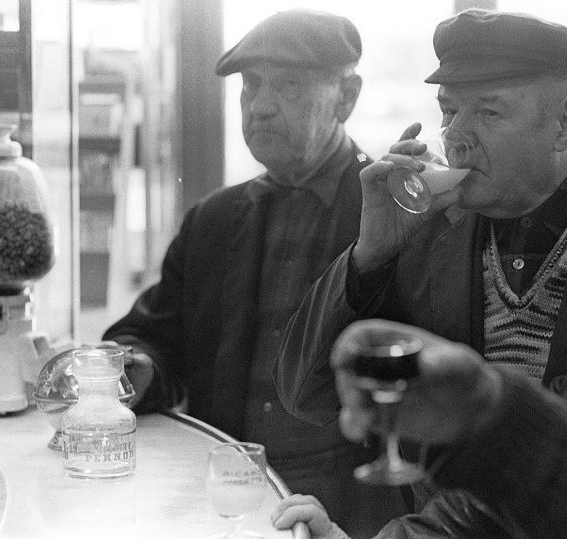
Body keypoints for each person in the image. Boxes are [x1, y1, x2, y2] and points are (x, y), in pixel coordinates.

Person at [272, 16, 567, 539]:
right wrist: (368, 256)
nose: (455, 137)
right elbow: (307, 397)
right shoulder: (426, 223)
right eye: (449, 111)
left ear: (565, 122)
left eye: (488, 112)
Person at [101, 9, 408, 537]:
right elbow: (154, 337)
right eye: (250, 86)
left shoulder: (391, 214)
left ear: (347, 97)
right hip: (225, 500)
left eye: (288, 86)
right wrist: (137, 367)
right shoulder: (214, 219)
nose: (260, 107)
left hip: (351, 510)